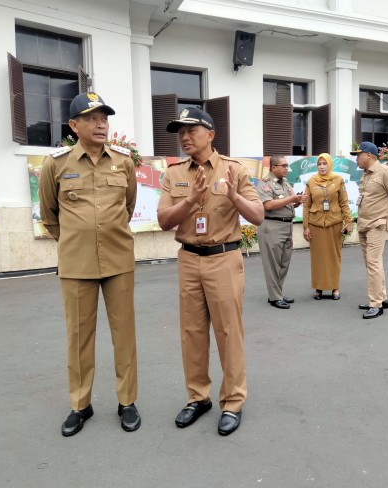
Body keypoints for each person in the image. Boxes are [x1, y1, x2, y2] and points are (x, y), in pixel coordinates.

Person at [38, 92, 141, 436]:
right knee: (79, 337)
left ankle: (127, 401)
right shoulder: (56, 164)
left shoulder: (123, 162)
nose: (101, 124)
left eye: (104, 118)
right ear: (74, 125)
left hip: (118, 260)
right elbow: (50, 217)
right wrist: (75, 240)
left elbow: (127, 208)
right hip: (76, 264)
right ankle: (80, 405)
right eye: (92, 118)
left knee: (124, 335)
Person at [157, 107, 264, 436]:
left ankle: (232, 402)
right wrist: (189, 201)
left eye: (192, 130)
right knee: (192, 333)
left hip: (223, 259)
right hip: (189, 259)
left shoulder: (234, 170)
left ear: (211, 134)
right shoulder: (173, 173)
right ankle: (197, 397)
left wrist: (233, 196)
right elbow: (163, 220)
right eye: (180, 132)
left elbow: (258, 215)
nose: (185, 137)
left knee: (229, 333)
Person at [353, 141, 388, 319]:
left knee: (373, 262)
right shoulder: (366, 174)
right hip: (364, 224)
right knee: (371, 263)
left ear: (369, 155)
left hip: (378, 223)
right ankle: (381, 298)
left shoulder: (385, 173)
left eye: (358, 155)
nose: (356, 159)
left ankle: (375, 304)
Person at [256, 156, 307, 310]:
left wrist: (297, 200)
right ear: (273, 167)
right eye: (283, 166)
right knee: (272, 264)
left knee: (284, 262)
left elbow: (289, 203)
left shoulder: (285, 183)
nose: (287, 168)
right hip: (272, 226)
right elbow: (268, 205)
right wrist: (291, 198)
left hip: (286, 225)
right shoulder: (265, 183)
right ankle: (274, 297)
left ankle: (278, 292)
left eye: (287, 166)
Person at [302, 153, 354, 300]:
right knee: (317, 258)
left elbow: (344, 202)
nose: (322, 167)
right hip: (316, 224)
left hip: (334, 223)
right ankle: (319, 288)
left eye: (325, 163)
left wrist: (348, 221)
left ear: (329, 164)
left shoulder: (338, 180)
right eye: (319, 164)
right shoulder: (311, 182)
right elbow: (306, 206)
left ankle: (335, 287)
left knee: (334, 256)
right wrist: (306, 226)